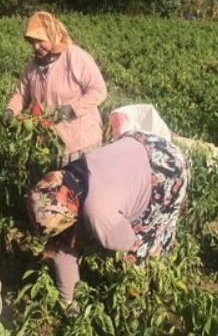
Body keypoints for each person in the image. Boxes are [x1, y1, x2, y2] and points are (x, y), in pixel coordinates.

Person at [27, 131, 189, 305]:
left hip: (166, 169)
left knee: (141, 248)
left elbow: (126, 243)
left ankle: (145, 297)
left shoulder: (98, 212)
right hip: (142, 143)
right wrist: (68, 304)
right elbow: (62, 249)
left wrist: (93, 242)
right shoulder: (66, 181)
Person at [2, 12, 107, 165]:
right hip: (47, 144)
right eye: (32, 42)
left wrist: (72, 109)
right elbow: (21, 94)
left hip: (79, 144)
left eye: (40, 41)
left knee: (74, 186)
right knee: (48, 186)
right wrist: (11, 110)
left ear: (52, 35)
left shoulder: (74, 56)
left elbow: (99, 90)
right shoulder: (33, 66)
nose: (36, 47)